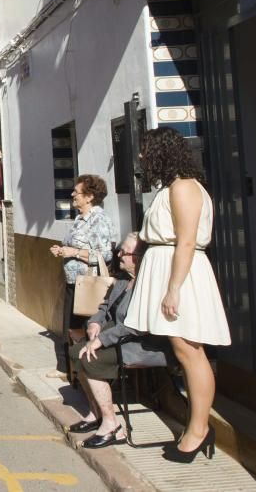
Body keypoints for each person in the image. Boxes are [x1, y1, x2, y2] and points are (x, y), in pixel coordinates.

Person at [123, 127, 231, 463]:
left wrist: (173, 288)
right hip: (171, 269)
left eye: (146, 150)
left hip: (181, 274)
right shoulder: (172, 187)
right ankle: (195, 426)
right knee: (184, 351)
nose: (141, 156)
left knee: (190, 352)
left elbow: (185, 240)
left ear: (160, 152)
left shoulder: (184, 187)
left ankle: (199, 429)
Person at [69, 233, 170, 448]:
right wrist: (95, 323)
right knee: (74, 352)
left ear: (140, 257)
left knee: (90, 359)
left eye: (124, 252)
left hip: (142, 345)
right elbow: (105, 306)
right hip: (117, 338)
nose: (119, 254)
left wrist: (102, 340)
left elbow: (138, 326)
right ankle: (95, 412)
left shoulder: (150, 285)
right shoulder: (123, 280)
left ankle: (112, 425)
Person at [49, 174, 118, 356]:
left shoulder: (99, 220)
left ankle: (81, 370)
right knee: (72, 328)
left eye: (77, 192)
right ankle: (71, 370)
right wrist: (62, 249)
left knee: (83, 327)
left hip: (89, 284)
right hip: (75, 282)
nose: (72, 194)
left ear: (89, 197)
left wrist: (74, 253)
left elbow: (106, 255)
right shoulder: (80, 219)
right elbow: (75, 245)